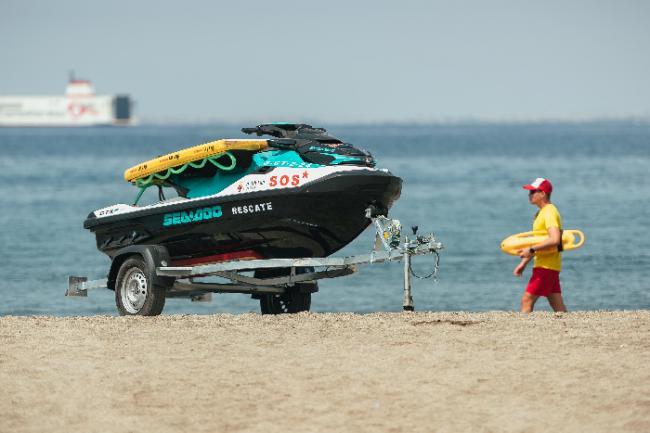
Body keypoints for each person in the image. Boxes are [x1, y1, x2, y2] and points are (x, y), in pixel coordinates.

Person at [513, 177, 567, 313]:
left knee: (527, 300)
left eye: (532, 192)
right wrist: (524, 262)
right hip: (549, 265)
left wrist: (530, 249)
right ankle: (570, 330)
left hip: (546, 266)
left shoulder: (549, 212)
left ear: (542, 193)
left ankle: (524, 331)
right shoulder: (540, 213)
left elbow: (555, 239)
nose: (529, 195)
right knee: (557, 305)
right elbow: (539, 241)